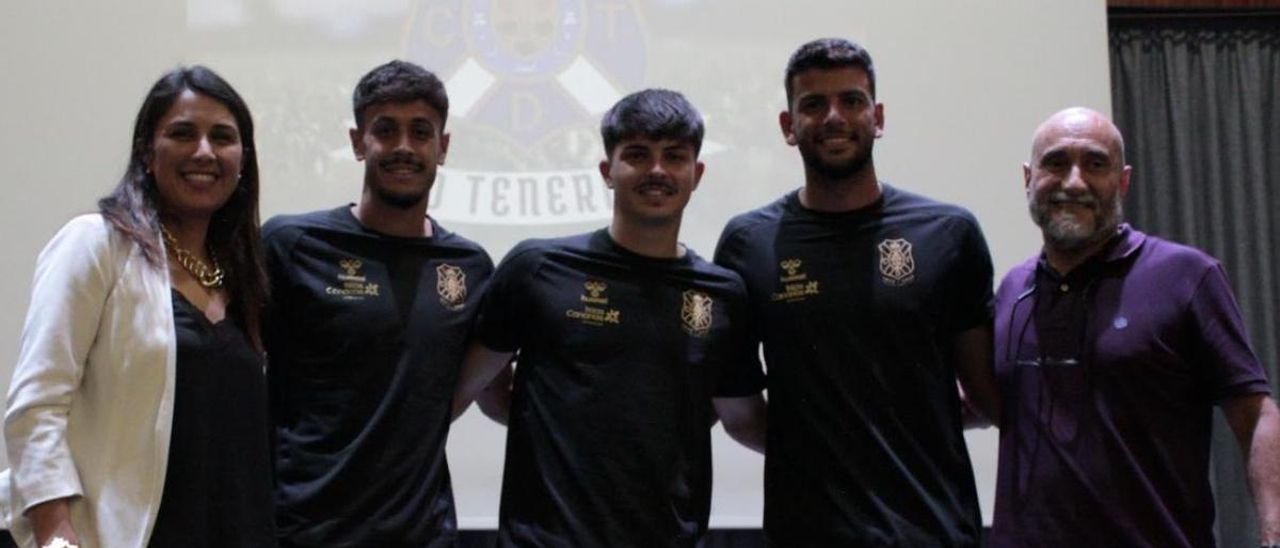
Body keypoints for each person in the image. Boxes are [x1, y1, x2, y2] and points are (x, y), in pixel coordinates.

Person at [713, 38, 1000, 546]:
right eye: (813, 104)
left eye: (851, 101)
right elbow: (741, 415)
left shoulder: (950, 233)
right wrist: (818, 448)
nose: (833, 117)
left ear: (878, 116)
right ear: (788, 126)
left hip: (935, 531)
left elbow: (983, 394)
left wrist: (907, 428)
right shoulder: (746, 243)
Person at [451, 88, 768, 547]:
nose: (657, 171)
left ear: (696, 174)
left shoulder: (723, 294)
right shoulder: (536, 267)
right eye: (637, 155)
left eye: (674, 156)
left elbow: (740, 418)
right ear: (607, 170)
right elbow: (476, 388)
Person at [2, 66, 273, 547]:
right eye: (182, 133)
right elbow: (36, 405)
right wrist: (54, 533)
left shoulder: (244, 274)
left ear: (243, 158)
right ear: (149, 152)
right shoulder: (96, 244)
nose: (204, 152)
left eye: (223, 137)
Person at [990, 107, 1280, 547]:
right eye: (1055, 163)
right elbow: (986, 400)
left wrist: (1273, 532)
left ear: (1122, 181)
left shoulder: (1186, 276)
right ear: (1027, 178)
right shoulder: (1013, 289)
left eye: (1095, 163)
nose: (1073, 181)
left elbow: (1255, 414)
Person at [263, 60, 492, 547]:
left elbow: (480, 390)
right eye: (385, 130)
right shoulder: (290, 244)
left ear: (443, 147)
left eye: (420, 132)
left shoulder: (469, 267)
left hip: (424, 535)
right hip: (303, 531)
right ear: (357, 141)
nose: (404, 147)